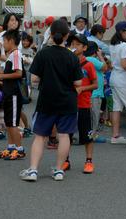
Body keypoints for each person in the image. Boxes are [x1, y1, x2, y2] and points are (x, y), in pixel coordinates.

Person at [21, 19, 83, 182]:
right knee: (64, 136)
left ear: (51, 34)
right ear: (66, 36)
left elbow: (34, 79)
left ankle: (33, 170)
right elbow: (78, 82)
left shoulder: (43, 54)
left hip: (47, 100)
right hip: (68, 101)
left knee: (40, 136)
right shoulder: (72, 57)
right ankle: (58, 170)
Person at [65, 33, 98, 173]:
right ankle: (65, 161)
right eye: (72, 44)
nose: (74, 47)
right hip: (68, 105)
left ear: (84, 47)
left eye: (78, 44)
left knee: (87, 135)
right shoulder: (67, 63)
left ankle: (89, 161)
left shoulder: (89, 65)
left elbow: (95, 85)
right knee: (66, 135)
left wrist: (83, 88)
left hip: (84, 105)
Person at [0, 30, 26, 161]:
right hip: (8, 92)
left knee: (12, 123)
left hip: (13, 94)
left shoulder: (16, 54)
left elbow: (18, 73)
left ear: (11, 41)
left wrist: (0, 76)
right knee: (8, 122)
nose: (3, 45)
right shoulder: (11, 55)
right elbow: (6, 74)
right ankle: (11, 147)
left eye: (4, 42)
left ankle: (19, 149)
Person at [109, 21, 126, 144]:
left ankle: (115, 136)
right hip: (123, 79)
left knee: (117, 107)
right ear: (121, 32)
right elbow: (125, 65)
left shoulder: (112, 44)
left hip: (114, 77)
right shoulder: (124, 46)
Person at [85, 41, 108, 143]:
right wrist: (100, 56)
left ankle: (89, 134)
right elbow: (105, 67)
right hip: (95, 93)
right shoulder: (92, 59)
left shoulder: (85, 59)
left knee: (89, 116)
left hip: (89, 92)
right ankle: (92, 135)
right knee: (94, 116)